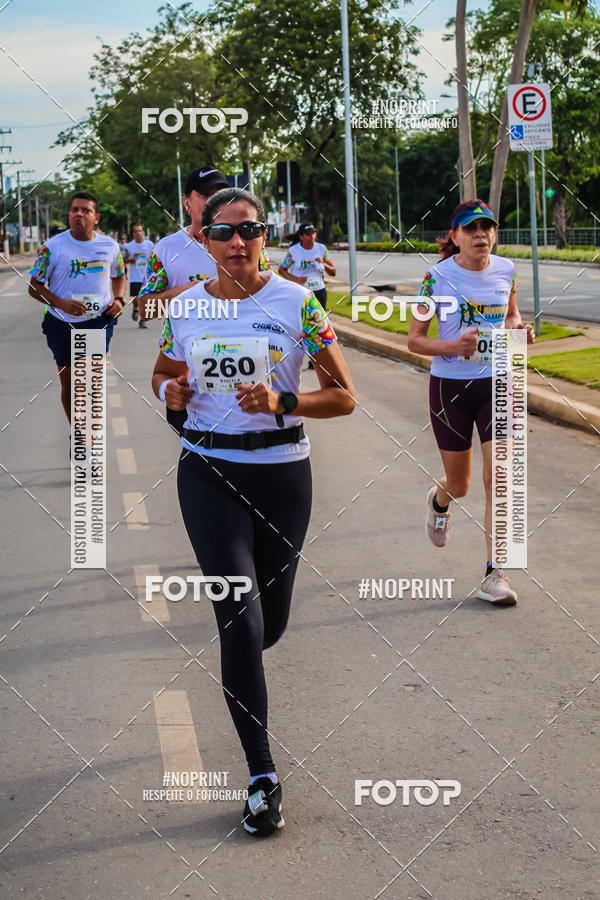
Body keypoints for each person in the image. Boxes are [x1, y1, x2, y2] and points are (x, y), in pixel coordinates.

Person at [152, 187, 355, 835]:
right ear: (204, 241)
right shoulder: (182, 307)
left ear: (266, 236)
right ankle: (262, 777)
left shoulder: (298, 303)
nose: (237, 243)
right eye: (223, 233)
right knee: (239, 620)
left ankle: (249, 663)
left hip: (281, 477)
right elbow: (163, 374)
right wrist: (172, 390)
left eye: (250, 231)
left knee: (267, 628)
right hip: (206, 471)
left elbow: (344, 396)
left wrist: (282, 404)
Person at [407, 199, 534, 606]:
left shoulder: (506, 270)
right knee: (460, 484)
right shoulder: (435, 278)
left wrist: (519, 332)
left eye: (487, 227)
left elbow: (510, 316)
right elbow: (414, 340)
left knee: (499, 480)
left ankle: (495, 575)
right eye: (471, 228)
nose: (481, 234)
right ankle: (439, 500)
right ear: (455, 235)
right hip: (451, 388)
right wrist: (453, 345)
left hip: (498, 381)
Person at [28, 191, 125, 426]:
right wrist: (62, 304)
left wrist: (119, 300)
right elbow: (34, 287)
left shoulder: (109, 246)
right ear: (69, 215)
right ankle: (78, 430)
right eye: (74, 210)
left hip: (96, 321)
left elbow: (119, 275)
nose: (79, 214)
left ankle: (87, 437)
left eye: (86, 210)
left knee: (89, 382)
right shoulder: (51, 247)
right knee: (70, 385)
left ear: (96, 217)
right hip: (60, 323)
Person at [278, 224, 335, 368]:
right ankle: (294, 356)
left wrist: (323, 264)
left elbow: (333, 271)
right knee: (298, 325)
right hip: (299, 292)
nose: (312, 236)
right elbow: (282, 269)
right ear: (301, 236)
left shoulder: (322, 249)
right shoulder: (293, 251)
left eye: (314, 233)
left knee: (318, 325)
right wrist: (296, 279)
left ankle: (315, 360)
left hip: (319, 291)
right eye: (308, 234)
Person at [123, 223, 154, 328]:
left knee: (145, 299)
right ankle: (135, 308)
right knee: (136, 299)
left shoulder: (149, 244)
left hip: (147, 276)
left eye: (140, 231)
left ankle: (143, 320)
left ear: (143, 232)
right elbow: (123, 260)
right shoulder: (129, 246)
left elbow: (154, 258)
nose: (138, 233)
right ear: (133, 233)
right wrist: (129, 260)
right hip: (135, 277)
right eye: (136, 231)